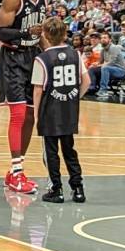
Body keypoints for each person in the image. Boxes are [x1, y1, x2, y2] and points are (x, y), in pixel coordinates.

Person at [0, 0, 48, 195]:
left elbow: (41, 34)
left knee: (29, 117)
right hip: (14, 59)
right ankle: (17, 174)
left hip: (33, 57)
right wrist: (26, 33)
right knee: (17, 115)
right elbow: (0, 32)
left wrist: (50, 55)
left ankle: (15, 171)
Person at [29, 19, 86, 204]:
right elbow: (87, 81)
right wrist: (75, 97)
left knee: (50, 152)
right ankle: (78, 189)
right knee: (69, 150)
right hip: (69, 109)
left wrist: (37, 114)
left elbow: (38, 90)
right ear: (65, 34)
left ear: (45, 34)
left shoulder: (42, 58)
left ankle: (56, 189)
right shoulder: (75, 54)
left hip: (50, 111)